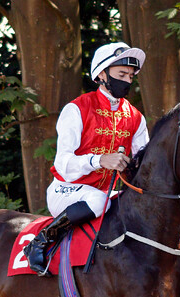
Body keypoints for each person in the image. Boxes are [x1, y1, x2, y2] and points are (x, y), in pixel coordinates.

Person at [23, 42, 150, 275]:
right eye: (121, 74)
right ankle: (41, 240)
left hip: (105, 193)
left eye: (131, 76)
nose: (127, 81)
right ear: (101, 74)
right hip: (66, 189)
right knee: (99, 202)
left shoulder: (135, 117)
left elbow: (144, 164)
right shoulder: (76, 109)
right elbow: (63, 164)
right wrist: (100, 160)